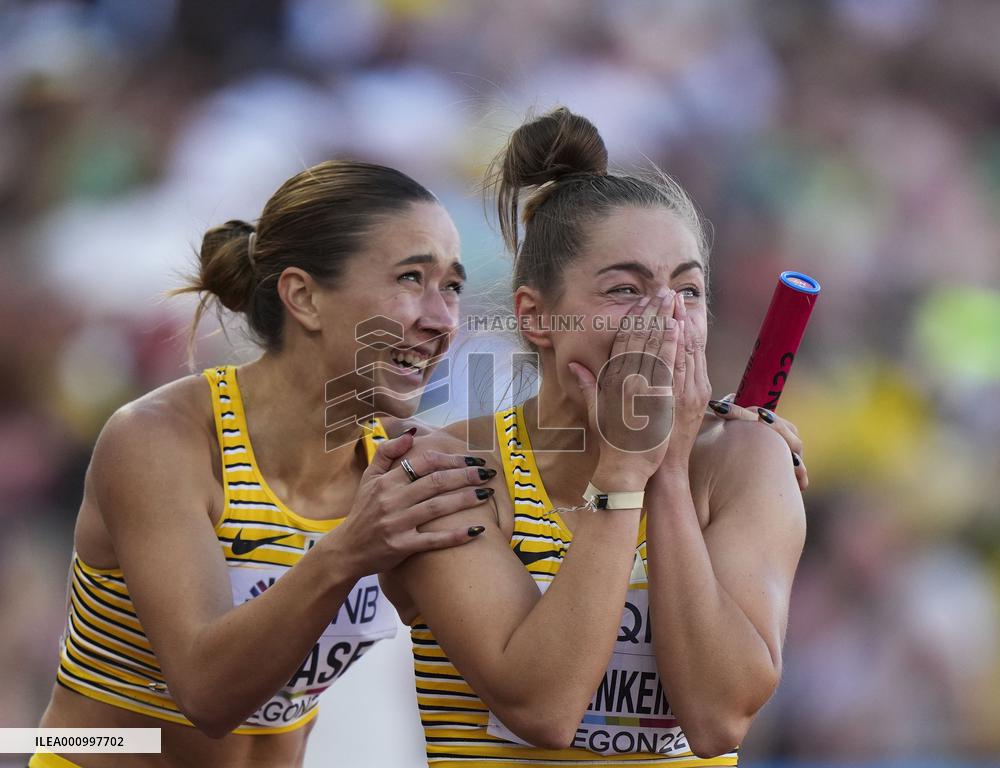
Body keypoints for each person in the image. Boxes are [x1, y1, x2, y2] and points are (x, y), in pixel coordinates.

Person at [32, 161, 499, 768]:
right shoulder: (158, 439)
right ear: (304, 296)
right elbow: (206, 692)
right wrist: (347, 551)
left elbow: (533, 694)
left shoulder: (405, 464)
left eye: (453, 287)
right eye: (411, 278)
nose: (442, 319)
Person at [382, 107, 807, 766]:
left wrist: (665, 472)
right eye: (625, 289)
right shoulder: (442, 468)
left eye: (688, 291)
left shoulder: (746, 460)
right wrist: (621, 472)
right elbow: (543, 707)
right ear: (538, 316)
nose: (666, 316)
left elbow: (720, 718)